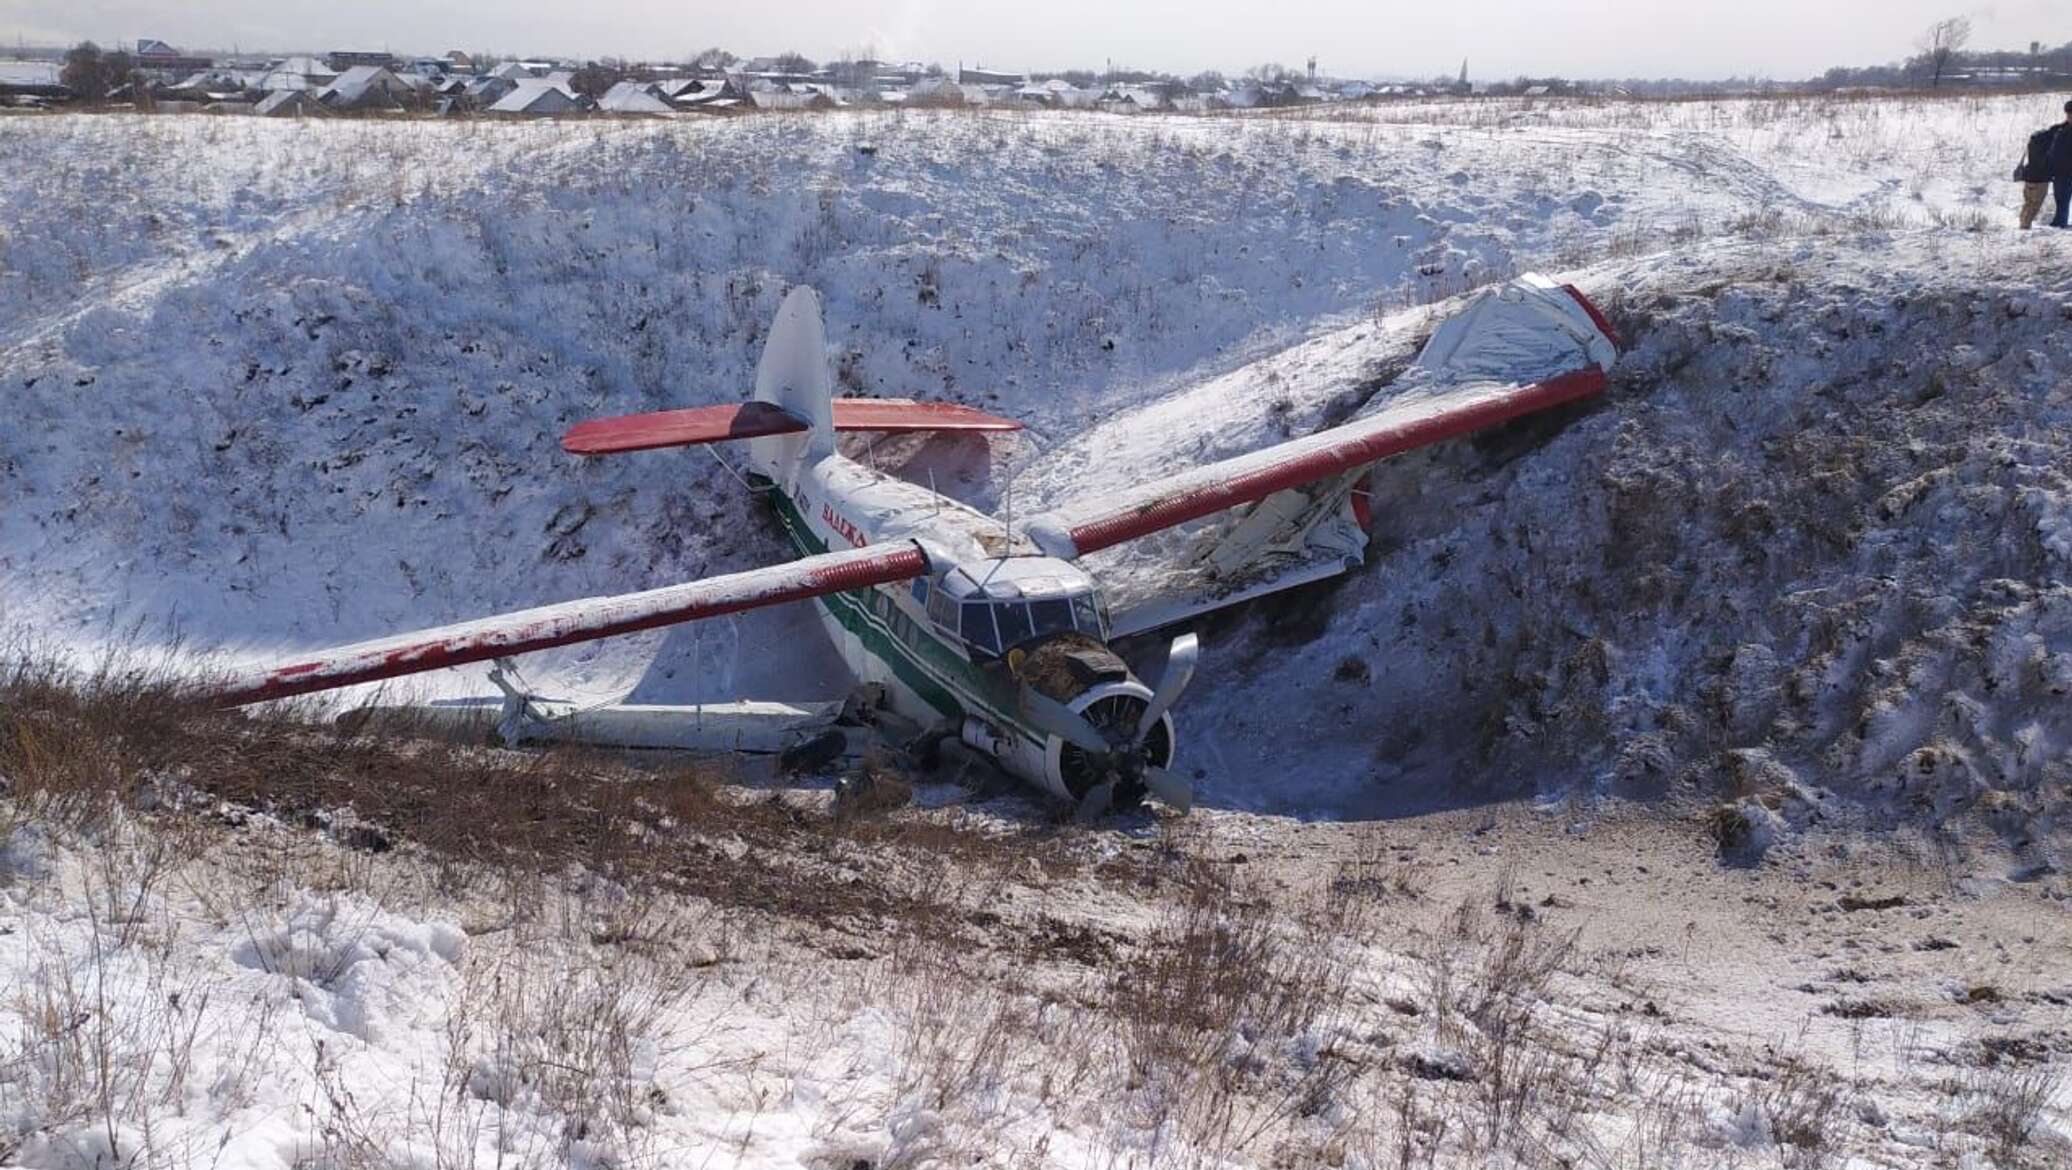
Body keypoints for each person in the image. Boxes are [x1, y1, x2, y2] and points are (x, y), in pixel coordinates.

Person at [2017, 112, 2061, 229]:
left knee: (2028, 203)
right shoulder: (2048, 144)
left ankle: (2022, 223)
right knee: (2035, 205)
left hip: (2029, 177)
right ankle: (2025, 227)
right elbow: (2049, 162)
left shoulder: (2036, 141)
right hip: (2040, 180)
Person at [2054, 100, 2072, 229]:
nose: (2070, 116)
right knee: (2061, 198)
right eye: (2068, 114)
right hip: (2062, 171)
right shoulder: (2062, 129)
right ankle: (2060, 222)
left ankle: (2061, 222)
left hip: (2067, 171)